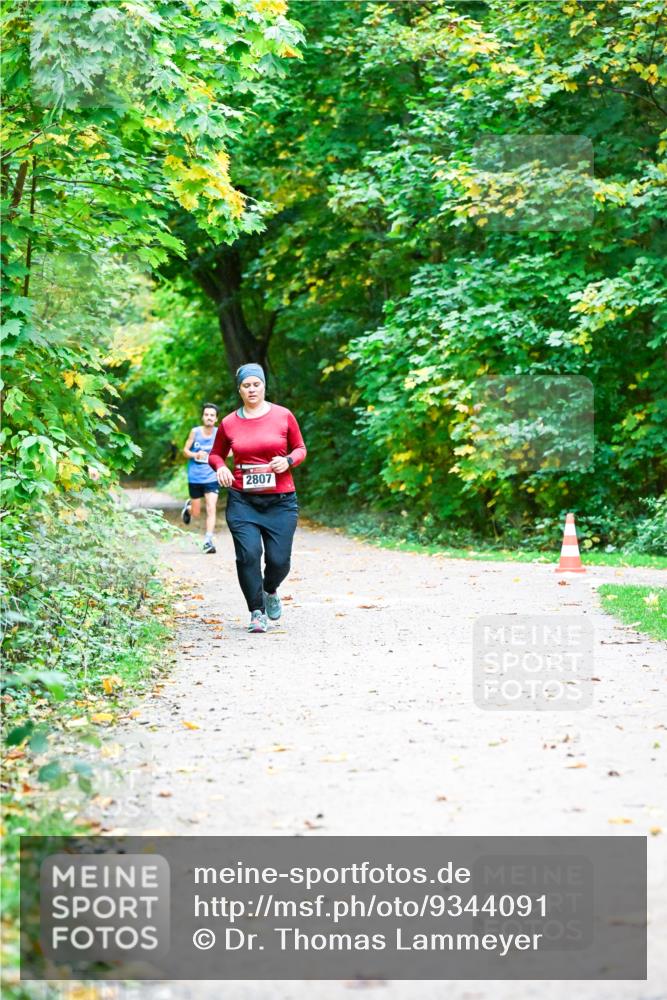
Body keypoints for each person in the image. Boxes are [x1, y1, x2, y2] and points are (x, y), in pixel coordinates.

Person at [208, 363, 307, 633]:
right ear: (239, 389)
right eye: (246, 385)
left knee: (279, 561)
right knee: (248, 555)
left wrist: (287, 461)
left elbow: (300, 448)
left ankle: (270, 588)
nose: (252, 389)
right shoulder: (228, 422)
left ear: (264, 386)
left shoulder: (283, 415)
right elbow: (215, 454)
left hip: (281, 501)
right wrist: (221, 468)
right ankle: (256, 611)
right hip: (243, 501)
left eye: (256, 384)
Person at [181, 403, 221, 554]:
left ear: (216, 418)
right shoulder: (195, 432)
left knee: (211, 508)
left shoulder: (219, 433)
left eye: (212, 415)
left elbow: (228, 452)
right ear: (203, 416)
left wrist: (219, 456)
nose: (209, 417)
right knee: (196, 512)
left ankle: (208, 540)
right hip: (195, 477)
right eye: (206, 414)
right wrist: (195, 454)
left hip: (211, 476)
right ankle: (189, 508)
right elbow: (185, 451)